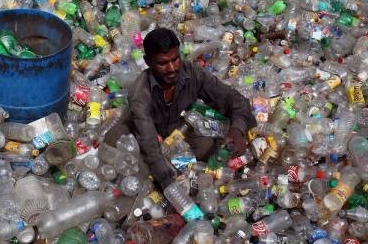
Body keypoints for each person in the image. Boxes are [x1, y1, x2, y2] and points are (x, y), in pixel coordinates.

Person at [104, 28, 256, 189]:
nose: (171, 68)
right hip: (143, 134)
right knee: (121, 149)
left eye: (175, 59)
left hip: (180, 129)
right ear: (148, 62)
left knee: (212, 148)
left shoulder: (192, 73)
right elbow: (149, 144)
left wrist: (237, 130)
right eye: (162, 63)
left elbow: (235, 99)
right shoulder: (140, 93)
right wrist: (170, 185)